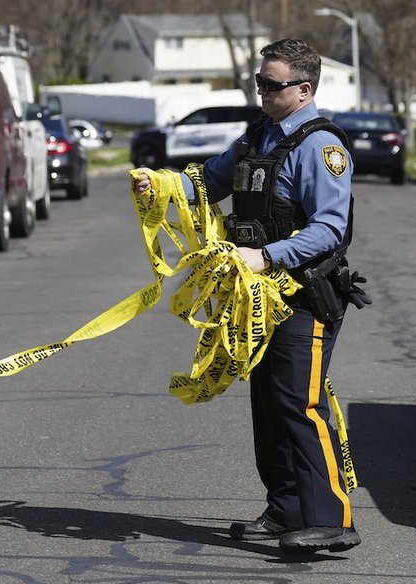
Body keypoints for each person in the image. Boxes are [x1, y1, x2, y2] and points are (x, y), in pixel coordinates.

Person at [134, 38, 366, 554]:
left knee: (299, 405)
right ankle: (285, 509)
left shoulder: (321, 147)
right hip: (255, 298)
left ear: (304, 90)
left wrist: (267, 256)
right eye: (259, 82)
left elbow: (331, 228)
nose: (260, 90)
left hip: (304, 296)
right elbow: (205, 182)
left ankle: (333, 519)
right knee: (268, 406)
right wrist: (163, 186)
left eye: (272, 84)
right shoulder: (256, 138)